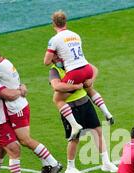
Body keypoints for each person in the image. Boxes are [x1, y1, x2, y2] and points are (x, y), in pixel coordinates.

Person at [0, 47, 62, 173]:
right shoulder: (6, 63)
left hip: (17, 109)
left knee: (24, 140)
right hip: (12, 110)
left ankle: (53, 163)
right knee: (2, 149)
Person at [44, 11, 113, 140]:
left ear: (53, 24)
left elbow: (46, 62)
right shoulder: (75, 35)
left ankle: (75, 125)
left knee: (58, 98)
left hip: (74, 72)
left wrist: (56, 54)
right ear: (65, 22)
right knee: (88, 88)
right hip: (87, 68)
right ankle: (106, 112)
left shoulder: (54, 40)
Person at [48, 60, 118, 173]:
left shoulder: (75, 62)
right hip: (69, 107)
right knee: (75, 138)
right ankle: (70, 167)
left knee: (98, 132)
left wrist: (91, 80)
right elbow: (57, 86)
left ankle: (106, 162)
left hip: (85, 102)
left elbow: (93, 69)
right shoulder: (55, 70)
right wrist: (75, 86)